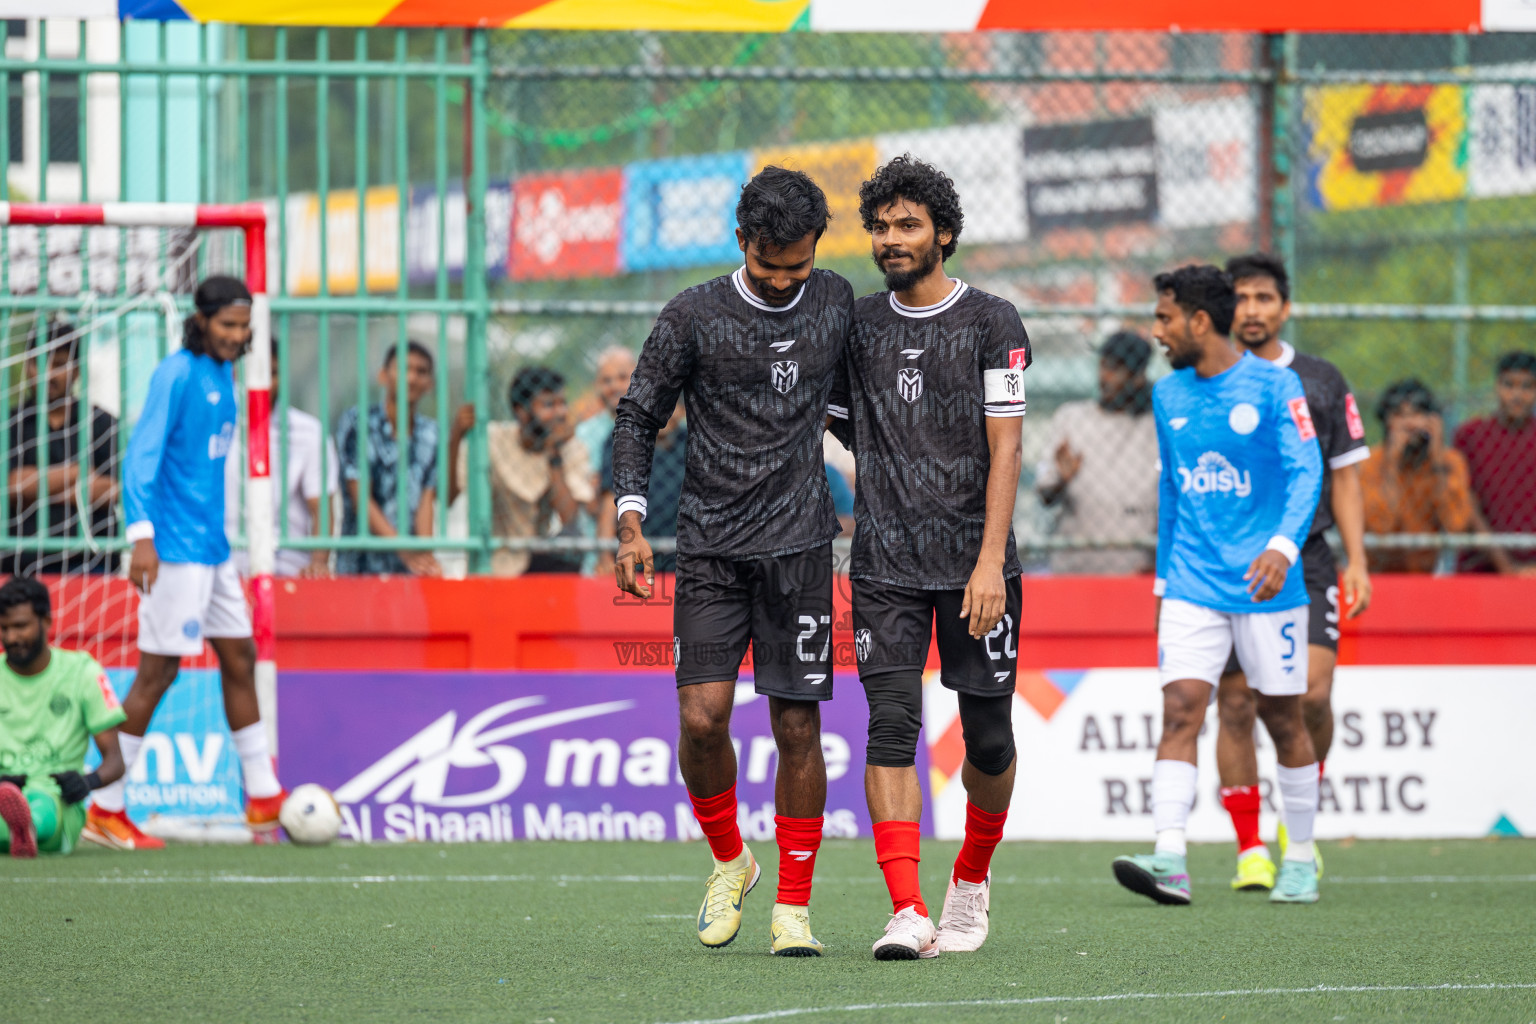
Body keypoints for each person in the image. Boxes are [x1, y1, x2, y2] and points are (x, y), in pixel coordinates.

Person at [611, 166, 853, 957]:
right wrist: (631, 522)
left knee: (796, 725)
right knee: (701, 718)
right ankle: (731, 861)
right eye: (768, 265)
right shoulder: (693, 314)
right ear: (740, 241)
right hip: (710, 546)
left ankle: (793, 906)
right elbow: (638, 414)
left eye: (799, 267)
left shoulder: (838, 300)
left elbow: (860, 408)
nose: (785, 282)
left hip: (800, 548)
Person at [830, 155, 1029, 959]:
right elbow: (844, 422)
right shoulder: (859, 325)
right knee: (890, 727)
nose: (890, 239)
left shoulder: (993, 320)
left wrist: (988, 562)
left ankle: (971, 880)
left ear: (943, 233)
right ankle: (908, 910)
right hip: (881, 564)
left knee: (987, 737)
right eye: (879, 226)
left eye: (907, 225)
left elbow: (1006, 444)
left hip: (976, 565)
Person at [1112, 264, 1324, 907]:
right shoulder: (1168, 395)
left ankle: (1303, 856)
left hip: (1268, 588)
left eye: (1165, 318)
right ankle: (1170, 858)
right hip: (1192, 585)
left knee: (1283, 719)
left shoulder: (1275, 385)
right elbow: (1172, 494)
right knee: (1180, 710)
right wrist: (1162, 586)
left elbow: (1305, 472)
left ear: (1199, 321)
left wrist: (1283, 548)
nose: (1157, 331)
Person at [85, 276, 287, 850]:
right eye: (227, 325)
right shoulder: (174, 374)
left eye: (244, 326)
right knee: (159, 672)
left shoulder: (224, 371)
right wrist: (141, 536)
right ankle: (106, 805)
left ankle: (263, 793)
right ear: (200, 321)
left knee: (240, 656)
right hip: (171, 549)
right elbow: (141, 457)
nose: (237, 335)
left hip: (213, 549)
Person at [1214, 253, 1372, 893]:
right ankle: (1251, 847)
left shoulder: (1322, 380)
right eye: (1241, 298)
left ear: (1285, 307)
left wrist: (1358, 559)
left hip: (1308, 561)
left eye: (1263, 298)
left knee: (1310, 695)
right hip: (1228, 567)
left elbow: (1345, 476)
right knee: (1235, 702)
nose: (1251, 310)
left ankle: (1297, 820)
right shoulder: (1208, 378)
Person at [0, 577, 127, 857]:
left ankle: (27, 825)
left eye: (20, 626)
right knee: (6, 801)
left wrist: (87, 782)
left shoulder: (82, 671)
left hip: (59, 801)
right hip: (4, 793)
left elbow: (116, 761)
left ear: (46, 621)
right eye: (4, 628)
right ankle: (16, 826)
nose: (11, 638)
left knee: (41, 800)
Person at [447, 366, 594, 577]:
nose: (561, 413)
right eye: (549, 404)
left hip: (539, 561)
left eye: (563, 403)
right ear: (521, 411)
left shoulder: (569, 447)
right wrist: (456, 438)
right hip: (494, 559)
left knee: (574, 544)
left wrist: (554, 457)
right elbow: (448, 497)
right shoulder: (492, 440)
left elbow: (569, 516)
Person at [1034, 330, 1158, 575]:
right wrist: (1061, 478)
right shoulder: (1072, 417)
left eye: (1115, 370)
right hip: (1075, 566)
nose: (1105, 377)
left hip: (1135, 567)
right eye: (1102, 366)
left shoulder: (1154, 426)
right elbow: (1045, 494)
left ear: (1138, 376)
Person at [3, 316, 120, 576]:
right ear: (28, 367)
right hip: (21, 565)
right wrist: (77, 475)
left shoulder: (102, 423)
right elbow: (10, 486)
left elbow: (115, 490)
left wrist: (39, 487)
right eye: (40, 364)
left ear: (77, 369)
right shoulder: (9, 424)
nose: (48, 375)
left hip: (93, 563)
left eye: (59, 365)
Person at [224, 340, 338, 578]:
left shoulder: (308, 433)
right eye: (251, 372)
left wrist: (318, 563)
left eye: (271, 373)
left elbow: (322, 509)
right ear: (235, 373)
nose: (261, 382)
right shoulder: (216, 428)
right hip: (223, 566)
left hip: (289, 567)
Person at [335, 342, 441, 577]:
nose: (412, 378)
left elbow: (426, 500)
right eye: (404, 368)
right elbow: (360, 498)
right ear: (383, 375)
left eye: (421, 371)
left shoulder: (431, 433)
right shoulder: (358, 422)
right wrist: (406, 552)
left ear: (430, 383)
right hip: (361, 566)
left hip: (409, 572)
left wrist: (424, 556)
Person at [1359, 379, 1478, 574]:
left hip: (1427, 575)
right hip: (1378, 574)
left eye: (1417, 414)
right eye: (1399, 415)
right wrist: (1391, 466)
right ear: (1387, 422)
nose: (1410, 424)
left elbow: (1456, 525)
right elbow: (1380, 527)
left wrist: (1438, 461)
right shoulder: (1371, 463)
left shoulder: (1449, 461)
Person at [1454, 351, 1536, 573]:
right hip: (1482, 563)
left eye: (1527, 387)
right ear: (1497, 386)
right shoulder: (1470, 435)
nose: (1517, 395)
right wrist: (1506, 566)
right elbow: (1466, 501)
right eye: (1509, 385)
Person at [597, 402, 685, 576]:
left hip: (682, 553)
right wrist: (605, 555)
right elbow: (609, 502)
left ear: (682, 411)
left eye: (673, 407)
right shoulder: (624, 439)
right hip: (633, 548)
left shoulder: (689, 442)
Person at [575, 347, 637, 575]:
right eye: (606, 380)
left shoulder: (664, 429)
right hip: (598, 560)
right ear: (597, 386)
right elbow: (591, 503)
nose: (615, 386)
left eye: (622, 377)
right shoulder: (585, 434)